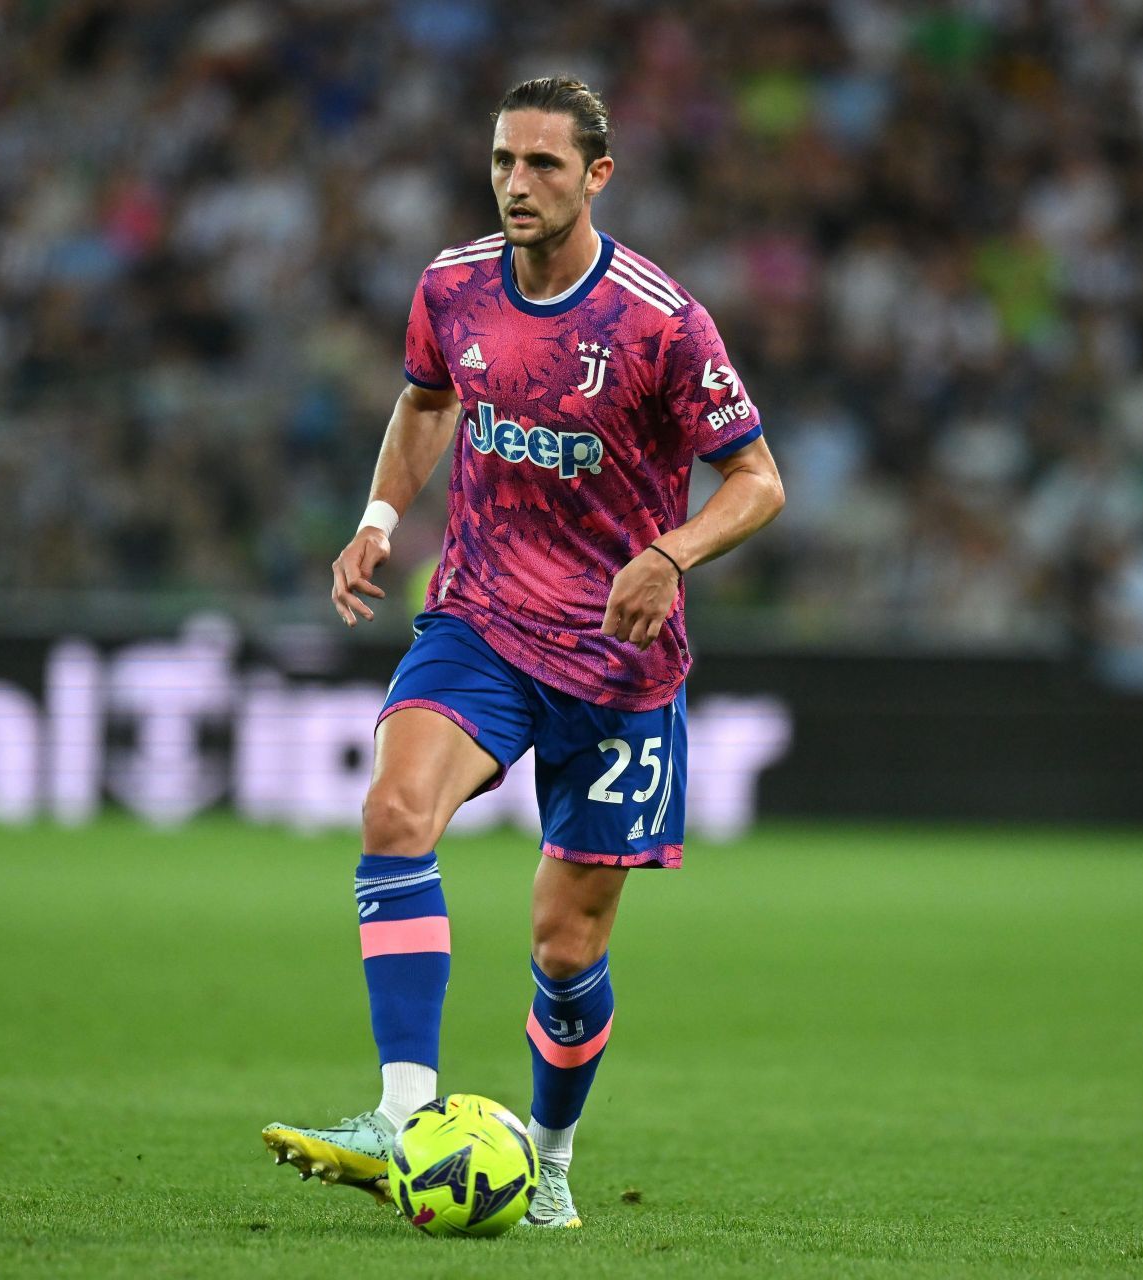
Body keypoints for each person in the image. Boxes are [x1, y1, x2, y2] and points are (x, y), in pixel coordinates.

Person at [260, 75, 784, 1229]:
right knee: (395, 811)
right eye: (504, 161)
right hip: (482, 620)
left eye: (544, 165)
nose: (517, 183)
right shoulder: (452, 285)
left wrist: (673, 554)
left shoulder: (660, 320)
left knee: (564, 942)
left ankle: (548, 1159)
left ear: (598, 176)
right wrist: (380, 519)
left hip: (615, 661)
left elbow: (759, 480)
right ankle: (403, 1109)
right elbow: (427, 400)